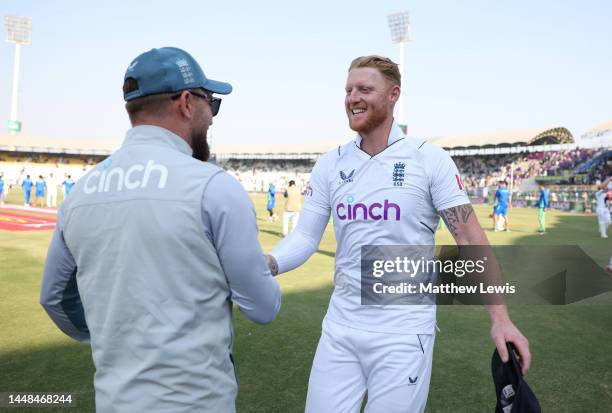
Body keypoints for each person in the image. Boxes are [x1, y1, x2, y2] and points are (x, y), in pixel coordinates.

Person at [266, 55, 530, 412]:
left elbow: (470, 240)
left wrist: (501, 319)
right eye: (348, 90)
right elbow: (304, 237)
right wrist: (269, 262)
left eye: (364, 88)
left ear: (393, 94)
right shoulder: (331, 163)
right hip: (339, 329)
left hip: (403, 335)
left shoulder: (428, 159)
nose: (352, 97)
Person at [40, 47, 281, 413]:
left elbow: (54, 297)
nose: (212, 118)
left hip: (115, 400)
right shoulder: (214, 186)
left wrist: (118, 336)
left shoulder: (82, 191)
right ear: (187, 102)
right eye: (210, 104)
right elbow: (263, 307)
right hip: (198, 401)